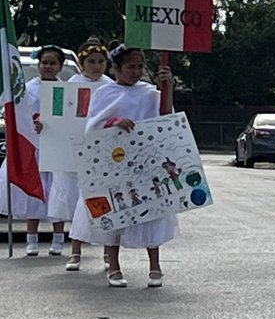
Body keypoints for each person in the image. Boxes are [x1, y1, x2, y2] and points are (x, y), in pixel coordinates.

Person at [71, 42, 175, 288]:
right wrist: (114, 122)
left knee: (152, 208)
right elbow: (93, 127)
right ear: (117, 68)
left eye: (140, 66)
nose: (136, 71)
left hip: (145, 161)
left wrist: (168, 86)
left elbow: (166, 116)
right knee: (115, 210)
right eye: (130, 67)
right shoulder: (106, 93)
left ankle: (155, 265)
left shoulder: (150, 92)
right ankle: (114, 265)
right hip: (116, 162)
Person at [47, 38, 114, 271]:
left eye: (101, 62)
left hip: (101, 154)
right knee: (78, 203)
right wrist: (44, 125)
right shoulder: (70, 85)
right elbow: (56, 115)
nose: (96, 66)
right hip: (74, 154)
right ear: (82, 63)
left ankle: (108, 252)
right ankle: (75, 251)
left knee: (105, 203)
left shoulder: (110, 87)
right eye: (91, 62)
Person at [0, 45, 67, 256]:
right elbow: (17, 116)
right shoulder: (27, 89)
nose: (48, 66)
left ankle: (58, 238)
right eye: (44, 62)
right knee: (33, 190)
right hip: (34, 146)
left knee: (57, 190)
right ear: (39, 64)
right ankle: (32, 238)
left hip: (57, 146)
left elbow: (67, 116)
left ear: (60, 66)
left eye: (52, 63)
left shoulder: (65, 90)